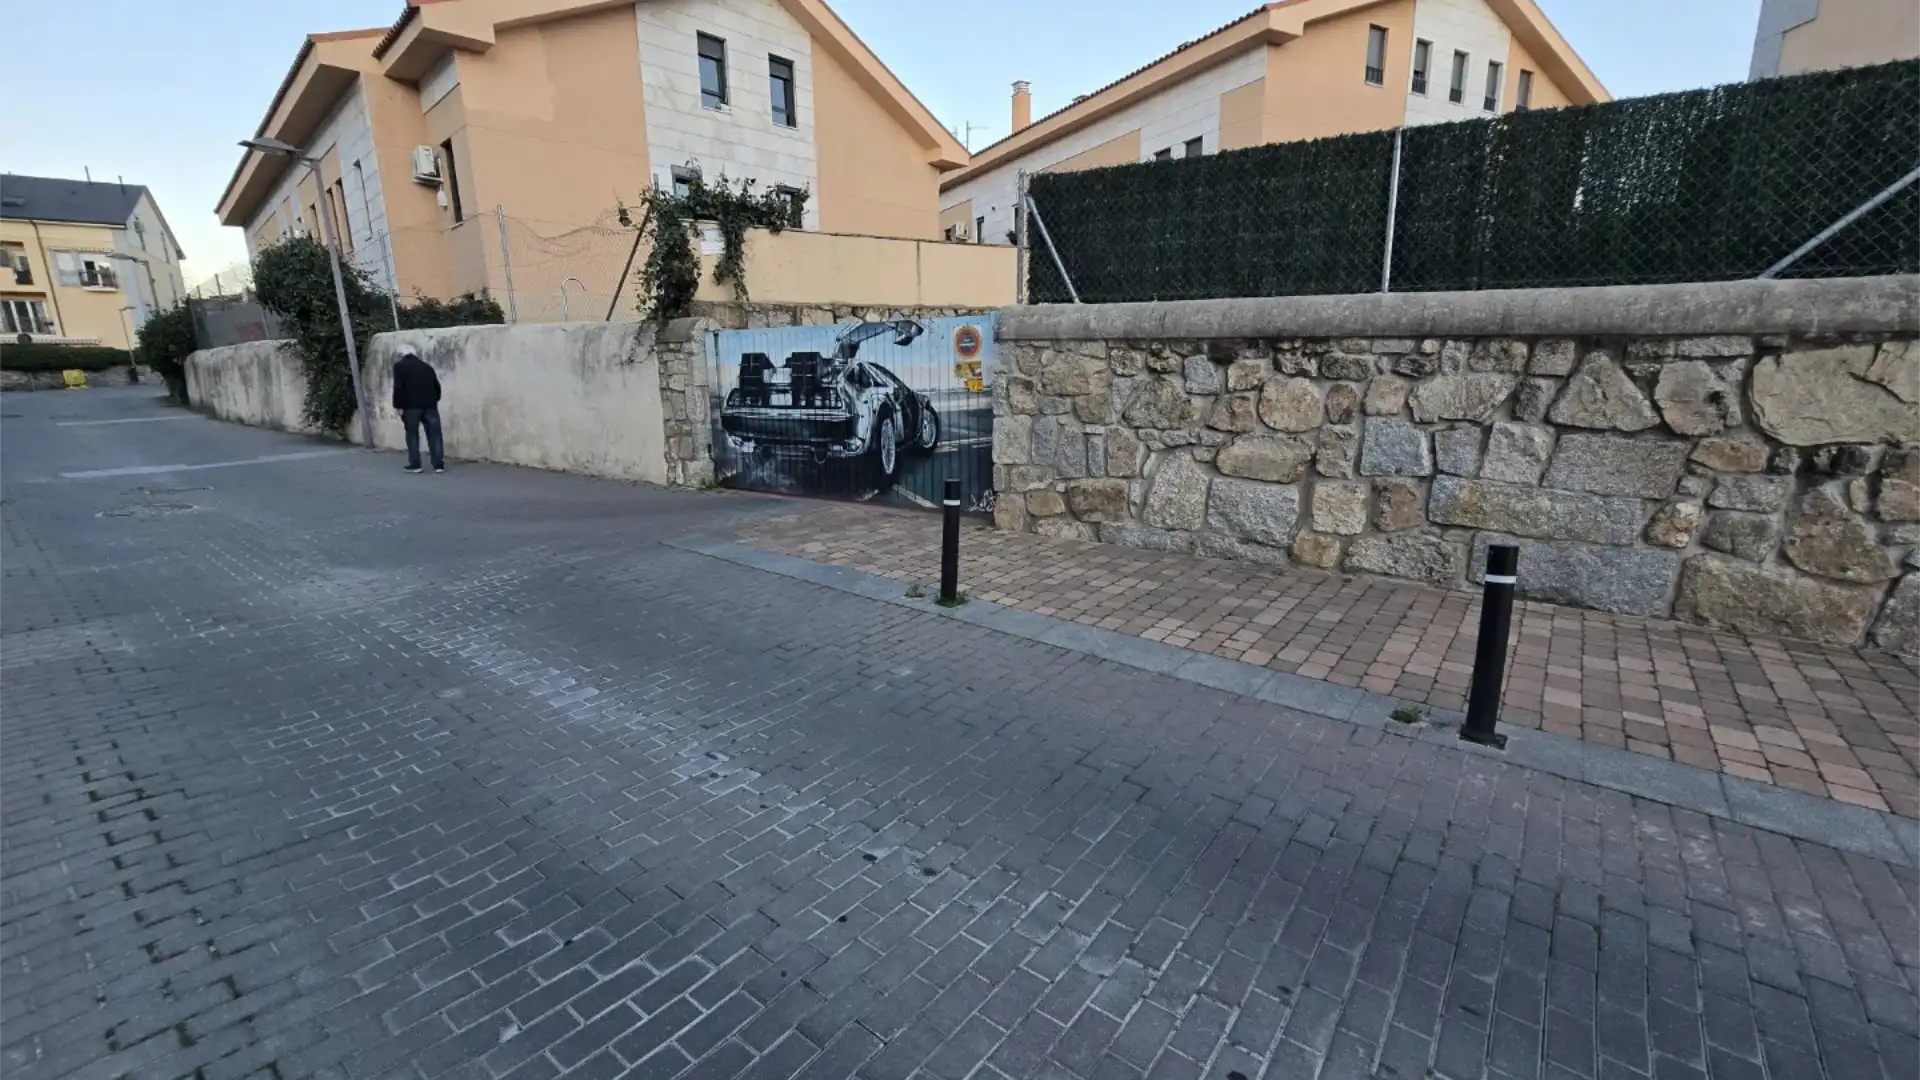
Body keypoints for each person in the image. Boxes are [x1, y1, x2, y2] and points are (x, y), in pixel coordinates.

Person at [391, 350, 445, 474]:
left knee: (412, 434)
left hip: (411, 407)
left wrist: (398, 406)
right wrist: (434, 400)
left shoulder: (399, 366)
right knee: (435, 434)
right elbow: (437, 387)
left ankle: (415, 464)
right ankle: (438, 465)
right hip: (430, 405)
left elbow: (398, 387)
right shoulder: (427, 367)